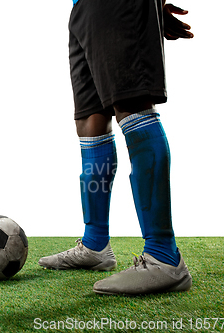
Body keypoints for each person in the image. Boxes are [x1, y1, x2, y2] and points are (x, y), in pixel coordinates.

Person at [38, 0, 194, 296]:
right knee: (90, 121)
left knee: (131, 104)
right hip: (82, 9)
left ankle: (164, 256)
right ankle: (95, 245)